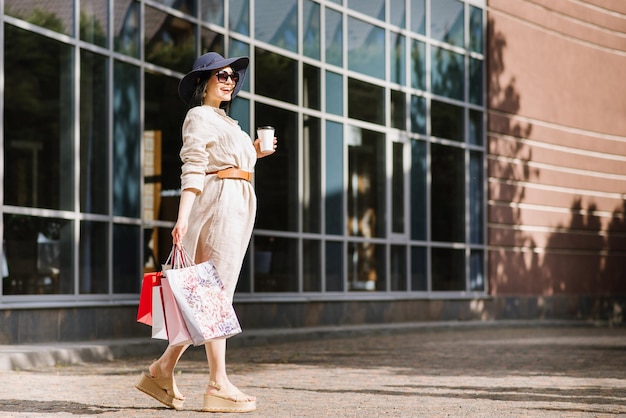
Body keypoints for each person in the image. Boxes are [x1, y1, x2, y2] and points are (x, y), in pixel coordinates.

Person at [135, 52, 276, 413]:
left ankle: (161, 370)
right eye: (221, 76)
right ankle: (217, 383)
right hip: (218, 206)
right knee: (214, 294)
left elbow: (228, 160)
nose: (229, 81)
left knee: (208, 295)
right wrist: (182, 218)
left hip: (238, 204)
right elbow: (194, 168)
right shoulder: (197, 116)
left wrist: (255, 152)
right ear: (203, 83)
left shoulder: (229, 123)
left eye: (232, 76)